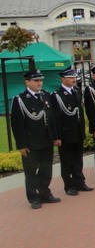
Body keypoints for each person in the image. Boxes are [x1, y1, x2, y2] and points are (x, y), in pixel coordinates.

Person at [11, 69, 61, 209]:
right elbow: (17, 124)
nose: (39, 83)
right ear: (27, 82)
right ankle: (34, 197)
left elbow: (51, 119)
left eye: (41, 80)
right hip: (31, 142)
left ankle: (45, 193)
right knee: (31, 171)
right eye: (36, 80)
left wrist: (56, 137)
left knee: (46, 169)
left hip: (47, 139)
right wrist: (21, 145)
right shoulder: (20, 99)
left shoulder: (45, 95)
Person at [52, 67, 93, 196]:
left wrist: (82, 131)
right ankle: (69, 185)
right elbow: (56, 118)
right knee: (67, 162)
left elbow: (79, 112)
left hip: (77, 131)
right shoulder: (57, 95)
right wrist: (57, 137)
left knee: (78, 159)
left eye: (74, 77)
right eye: (70, 77)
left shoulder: (76, 91)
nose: (74, 79)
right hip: (65, 133)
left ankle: (79, 182)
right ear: (63, 79)